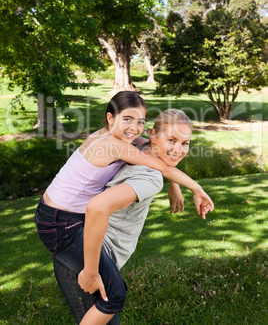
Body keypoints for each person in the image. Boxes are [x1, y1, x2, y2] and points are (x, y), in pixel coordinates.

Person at [50, 109, 214, 324]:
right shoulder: (150, 178)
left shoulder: (138, 146)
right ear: (153, 135)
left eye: (185, 143)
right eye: (172, 140)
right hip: (88, 263)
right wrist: (91, 271)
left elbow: (166, 162)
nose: (178, 149)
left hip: (75, 251)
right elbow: (97, 207)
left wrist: (176, 183)